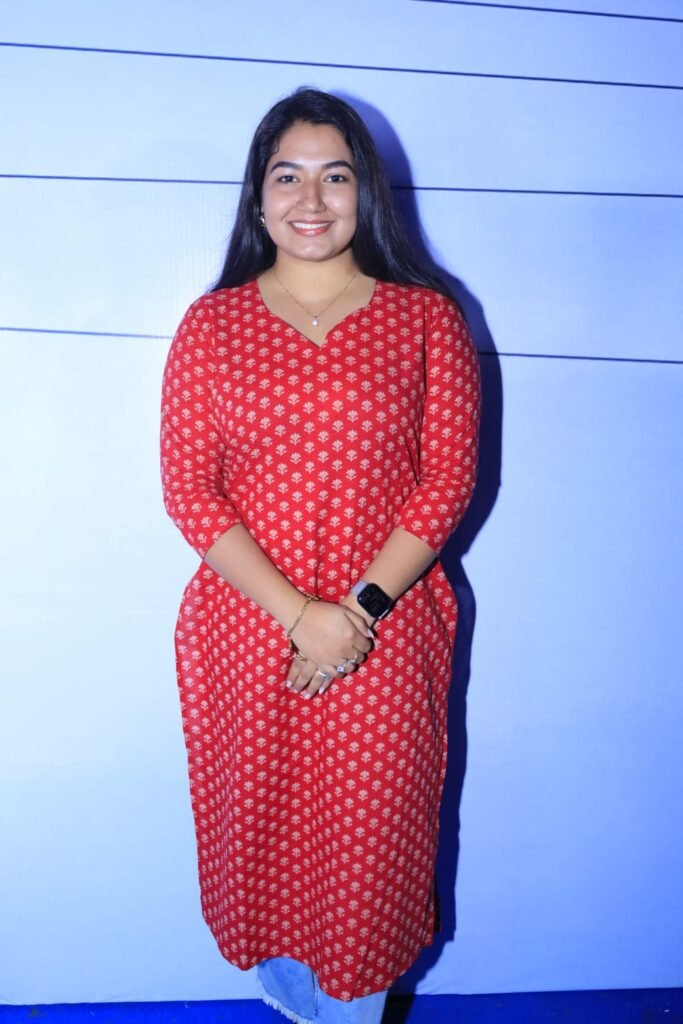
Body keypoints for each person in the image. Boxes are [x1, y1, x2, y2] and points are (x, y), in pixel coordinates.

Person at [160, 87, 481, 1023]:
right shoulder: (211, 326)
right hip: (248, 630)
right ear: (257, 198)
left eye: (335, 176)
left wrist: (354, 616)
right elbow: (190, 492)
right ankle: (293, 1004)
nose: (311, 198)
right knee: (264, 834)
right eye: (287, 176)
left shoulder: (424, 318)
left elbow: (445, 484)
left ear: (365, 192)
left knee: (370, 848)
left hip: (385, 635)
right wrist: (300, 615)